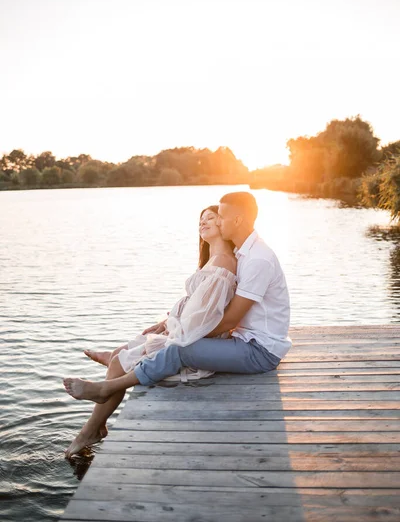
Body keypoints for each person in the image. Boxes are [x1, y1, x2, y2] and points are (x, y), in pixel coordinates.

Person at [64, 192, 291, 451]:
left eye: (222, 217)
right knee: (167, 343)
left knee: (181, 347)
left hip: (260, 351)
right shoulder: (243, 253)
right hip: (245, 339)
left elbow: (230, 320)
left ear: (237, 220)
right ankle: (96, 418)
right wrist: (172, 322)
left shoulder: (257, 259)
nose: (218, 222)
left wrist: (183, 333)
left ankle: (108, 388)